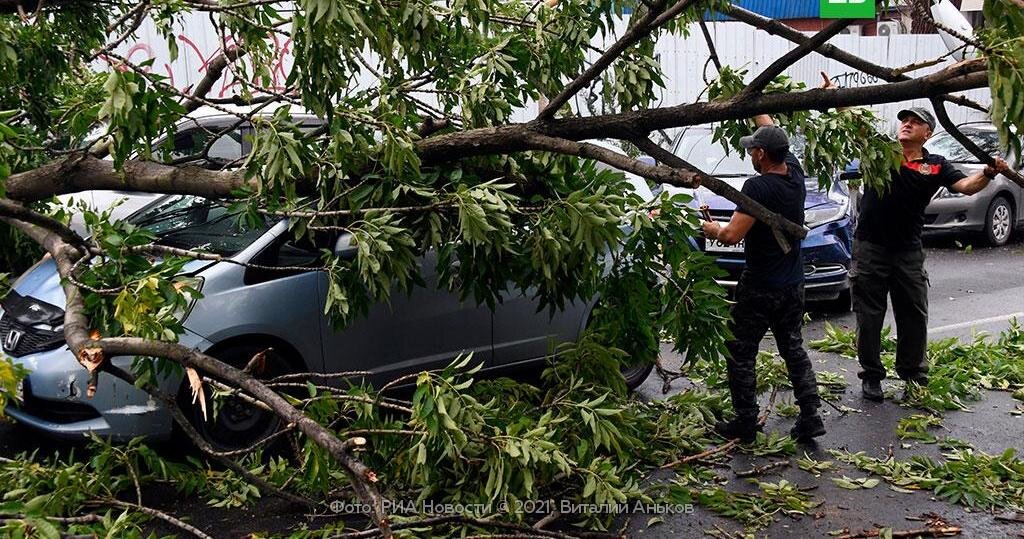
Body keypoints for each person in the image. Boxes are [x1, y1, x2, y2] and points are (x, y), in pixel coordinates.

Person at [854, 107, 1010, 401]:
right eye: (904, 121)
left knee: (913, 311)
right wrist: (836, 98)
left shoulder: (936, 165)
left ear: (928, 133)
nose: (907, 125)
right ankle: (871, 376)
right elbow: (856, 126)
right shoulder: (881, 151)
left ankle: (913, 374)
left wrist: (988, 173)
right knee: (869, 314)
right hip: (870, 247)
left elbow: (966, 186)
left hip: (908, 250)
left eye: (915, 122)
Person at [701, 116, 825, 444]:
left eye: (753, 149)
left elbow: (731, 235)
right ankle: (811, 416)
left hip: (760, 286)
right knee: (792, 347)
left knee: (740, 351)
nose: (750, 154)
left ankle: (745, 421)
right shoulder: (795, 174)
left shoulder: (757, 187)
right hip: (792, 283)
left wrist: (710, 229)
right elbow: (772, 127)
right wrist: (754, 104)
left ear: (761, 155)